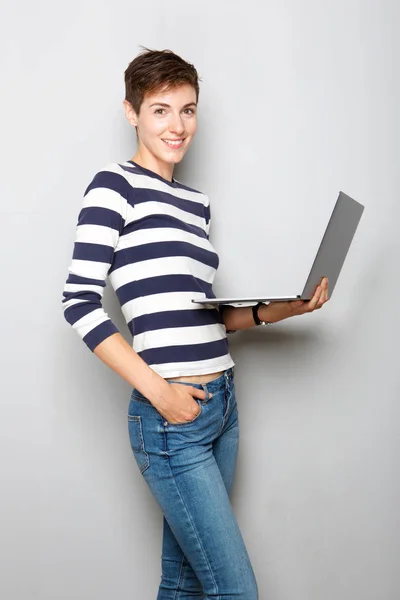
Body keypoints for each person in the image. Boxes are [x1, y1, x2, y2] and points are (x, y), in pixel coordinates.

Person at [62, 47, 329, 600]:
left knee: (183, 583)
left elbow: (205, 316)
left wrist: (287, 308)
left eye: (187, 110)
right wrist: (161, 394)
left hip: (223, 405)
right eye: (160, 110)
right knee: (236, 591)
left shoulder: (196, 203)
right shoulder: (114, 186)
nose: (176, 125)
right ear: (132, 113)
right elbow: (79, 302)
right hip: (171, 418)